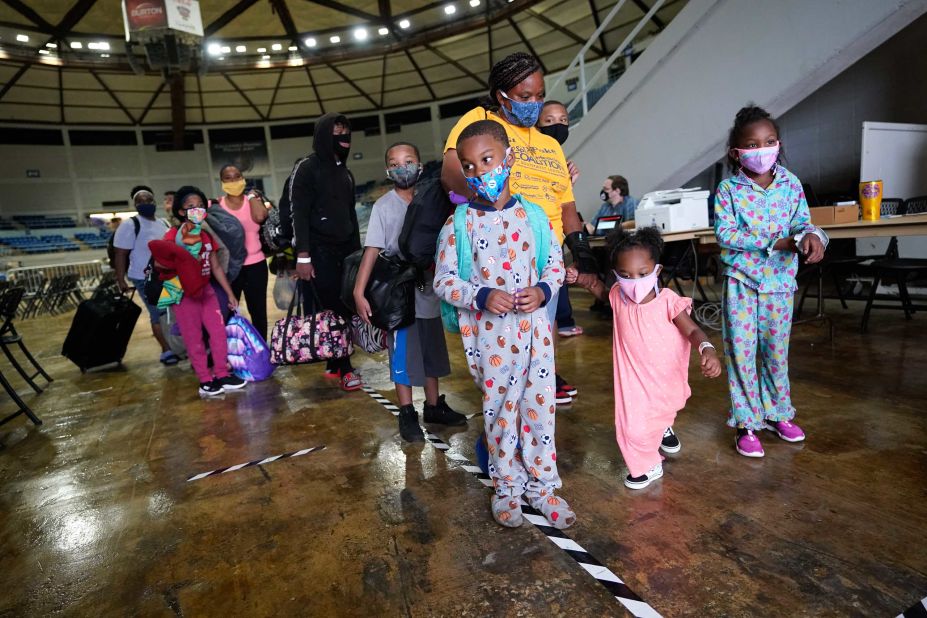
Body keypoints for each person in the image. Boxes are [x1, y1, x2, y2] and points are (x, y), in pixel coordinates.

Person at [435, 119, 574, 530]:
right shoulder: (458, 225)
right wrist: (480, 295)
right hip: (490, 342)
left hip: (536, 338)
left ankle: (543, 488)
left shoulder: (534, 217)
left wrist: (545, 292)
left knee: (540, 411)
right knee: (500, 413)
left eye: (487, 160)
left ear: (508, 157)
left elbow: (555, 265)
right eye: (470, 166)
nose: (479, 172)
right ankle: (507, 488)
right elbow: (443, 280)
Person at [442, 52, 595, 406]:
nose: (534, 104)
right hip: (499, 252)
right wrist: (492, 203)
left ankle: (540, 391)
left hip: (545, 255)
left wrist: (582, 252)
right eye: (525, 97)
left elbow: (567, 207)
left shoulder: (549, 145)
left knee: (542, 331)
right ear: (502, 94)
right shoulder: (479, 120)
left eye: (539, 96)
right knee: (499, 347)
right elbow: (451, 172)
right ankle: (501, 418)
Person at [569, 227, 722, 489]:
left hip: (665, 376)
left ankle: (663, 427)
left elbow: (693, 329)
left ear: (657, 271)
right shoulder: (619, 295)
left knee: (662, 409)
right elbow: (602, 291)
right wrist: (583, 280)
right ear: (616, 274)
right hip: (634, 380)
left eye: (642, 274)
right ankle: (647, 465)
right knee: (633, 426)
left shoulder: (668, 302)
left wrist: (707, 348)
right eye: (625, 275)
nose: (634, 281)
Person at [715, 105, 826, 457]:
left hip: (779, 284)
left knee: (777, 355)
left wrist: (813, 238)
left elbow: (803, 224)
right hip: (742, 285)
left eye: (769, 141)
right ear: (736, 152)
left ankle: (778, 414)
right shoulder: (728, 190)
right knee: (743, 355)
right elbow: (725, 233)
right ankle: (748, 423)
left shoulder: (791, 184)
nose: (761, 149)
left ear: (778, 144)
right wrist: (773, 242)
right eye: (752, 144)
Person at [354, 142, 466, 442]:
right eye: (395, 162)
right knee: (402, 354)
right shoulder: (383, 207)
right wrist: (358, 291)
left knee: (431, 351)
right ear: (388, 170)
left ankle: (433, 406)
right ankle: (407, 412)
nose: (402, 167)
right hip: (399, 295)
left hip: (430, 288)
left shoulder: (436, 200)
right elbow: (372, 251)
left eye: (408, 161)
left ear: (419, 165)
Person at [151, 186, 247, 397]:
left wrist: (229, 293)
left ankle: (222, 373)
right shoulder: (173, 235)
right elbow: (159, 262)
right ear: (180, 212)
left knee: (218, 332)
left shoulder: (204, 235)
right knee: (194, 338)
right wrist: (182, 260)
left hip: (206, 292)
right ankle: (205, 379)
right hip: (184, 295)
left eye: (201, 206)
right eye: (191, 206)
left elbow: (216, 267)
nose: (197, 210)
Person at [290, 113, 362, 391]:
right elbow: (299, 213)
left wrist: (357, 255)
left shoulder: (345, 171)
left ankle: (334, 359)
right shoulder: (307, 168)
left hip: (346, 251)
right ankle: (345, 368)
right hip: (319, 252)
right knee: (334, 310)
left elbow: (350, 216)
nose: (342, 135)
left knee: (344, 305)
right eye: (336, 129)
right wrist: (303, 256)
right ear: (322, 133)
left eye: (345, 129)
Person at [113, 185, 176, 365]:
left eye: (147, 200)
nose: (144, 203)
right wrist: (120, 280)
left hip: (166, 275)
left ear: (154, 201)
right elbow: (120, 254)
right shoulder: (130, 225)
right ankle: (166, 350)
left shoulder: (163, 223)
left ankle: (176, 345)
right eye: (139, 201)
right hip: (144, 278)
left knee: (172, 312)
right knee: (157, 313)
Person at [537, 100, 582, 339]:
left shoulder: (560, 160)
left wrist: (567, 184)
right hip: (531, 244)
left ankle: (549, 373)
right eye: (549, 121)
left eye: (563, 120)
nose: (558, 125)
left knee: (549, 313)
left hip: (555, 241)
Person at [217, 164, 269, 341]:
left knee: (259, 312)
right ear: (222, 182)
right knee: (229, 311)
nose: (233, 181)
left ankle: (261, 350)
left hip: (256, 264)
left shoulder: (252, 201)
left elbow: (261, 217)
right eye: (228, 178)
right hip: (231, 268)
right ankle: (232, 351)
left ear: (243, 179)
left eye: (237, 176)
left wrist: (253, 196)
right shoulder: (217, 206)